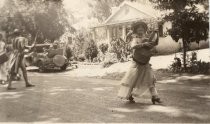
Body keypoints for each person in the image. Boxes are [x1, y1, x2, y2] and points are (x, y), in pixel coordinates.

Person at [118, 22, 163, 104]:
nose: (141, 30)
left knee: (150, 80)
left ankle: (155, 97)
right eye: (139, 28)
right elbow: (133, 46)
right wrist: (143, 44)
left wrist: (156, 34)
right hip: (136, 63)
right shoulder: (134, 38)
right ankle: (129, 95)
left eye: (142, 28)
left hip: (145, 63)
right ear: (136, 30)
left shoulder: (147, 38)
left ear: (144, 29)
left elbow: (154, 44)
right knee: (132, 81)